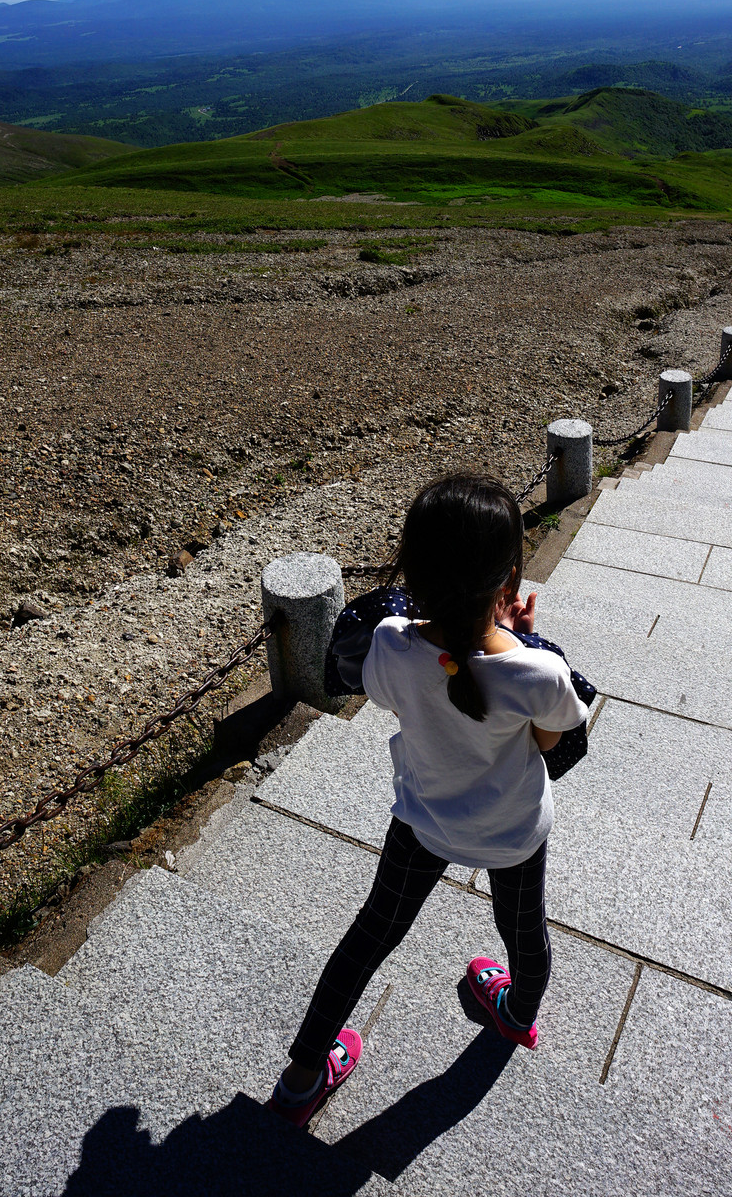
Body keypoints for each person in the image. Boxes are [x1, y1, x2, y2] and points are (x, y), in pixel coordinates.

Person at [267, 473, 588, 1126]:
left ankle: (301, 1081)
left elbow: (414, 673)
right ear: (508, 583)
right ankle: (517, 1017)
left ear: (412, 570)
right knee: (523, 931)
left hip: (423, 824)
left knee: (367, 940)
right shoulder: (540, 673)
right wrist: (519, 640)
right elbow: (553, 741)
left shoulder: (388, 646)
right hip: (514, 833)